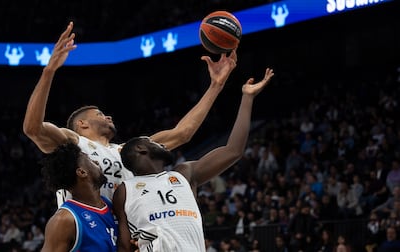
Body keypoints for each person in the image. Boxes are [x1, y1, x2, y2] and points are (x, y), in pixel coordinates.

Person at [23, 21, 238, 207]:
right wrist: (49, 71)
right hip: (87, 230)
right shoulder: (72, 144)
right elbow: (33, 128)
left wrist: (216, 86)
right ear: (81, 124)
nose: (107, 117)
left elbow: (182, 134)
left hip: (121, 233)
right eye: (99, 114)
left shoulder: (128, 151)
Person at [112, 68, 275, 252]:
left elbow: (233, 151)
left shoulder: (184, 173)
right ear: (140, 148)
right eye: (153, 142)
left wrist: (247, 98)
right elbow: (124, 246)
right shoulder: (125, 190)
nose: (164, 145)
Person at [39, 142, 117, 252]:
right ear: (82, 172)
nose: (96, 161)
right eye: (90, 160)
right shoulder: (64, 220)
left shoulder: (109, 205)